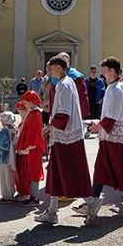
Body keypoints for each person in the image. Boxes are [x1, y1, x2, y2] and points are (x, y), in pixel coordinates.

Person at [77, 57, 123, 223]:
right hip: (109, 136)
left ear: (112, 70)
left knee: (122, 172)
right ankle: (92, 202)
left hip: (115, 138)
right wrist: (100, 124)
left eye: (104, 71)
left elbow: (113, 115)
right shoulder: (114, 87)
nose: (103, 75)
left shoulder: (118, 89)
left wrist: (99, 126)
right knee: (100, 169)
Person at [36, 55, 92, 225]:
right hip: (61, 135)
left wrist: (49, 127)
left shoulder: (66, 84)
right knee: (55, 171)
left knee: (70, 170)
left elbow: (64, 112)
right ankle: (52, 211)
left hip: (67, 135)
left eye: (51, 68)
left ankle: (91, 202)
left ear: (59, 68)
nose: (49, 71)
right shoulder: (62, 83)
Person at [15, 90, 46, 205]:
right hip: (32, 146)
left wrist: (28, 145)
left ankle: (35, 197)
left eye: (26, 102)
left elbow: (33, 132)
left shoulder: (35, 114)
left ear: (31, 102)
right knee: (32, 171)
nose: (24, 104)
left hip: (33, 147)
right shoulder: (33, 112)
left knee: (34, 171)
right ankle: (33, 196)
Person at [0, 110, 19, 201]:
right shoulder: (14, 130)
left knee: (5, 177)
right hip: (11, 156)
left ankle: (7, 196)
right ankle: (10, 193)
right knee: (10, 176)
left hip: (3, 157)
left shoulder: (3, 132)